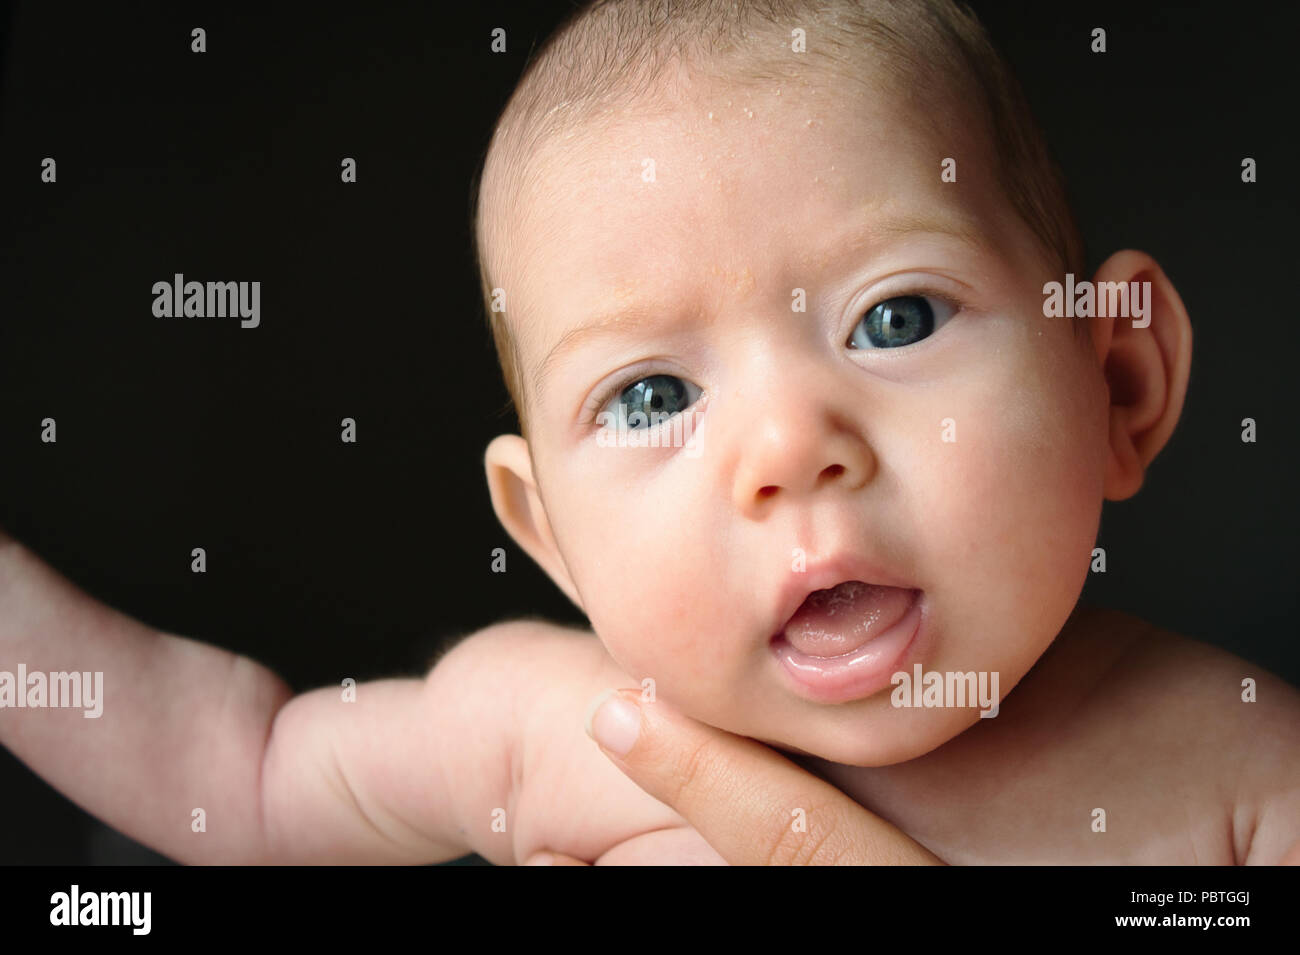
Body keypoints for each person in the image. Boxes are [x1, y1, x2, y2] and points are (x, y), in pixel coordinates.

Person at [2, 0, 1297, 865]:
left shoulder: (1239, 776)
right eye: (652, 398)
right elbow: (230, 766)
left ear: (1117, 382)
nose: (789, 448)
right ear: (551, 538)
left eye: (894, 318)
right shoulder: (545, 726)